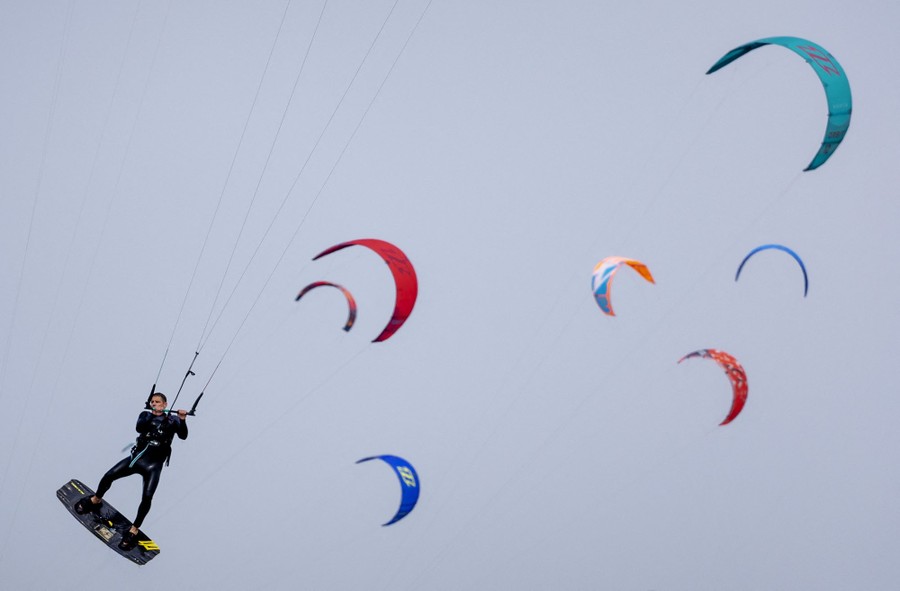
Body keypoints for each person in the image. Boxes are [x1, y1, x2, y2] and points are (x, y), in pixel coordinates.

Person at [74, 392, 188, 550]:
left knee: (147, 498)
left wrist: (182, 419)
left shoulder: (174, 420)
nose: (154, 404)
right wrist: (152, 414)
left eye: (158, 402)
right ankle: (95, 500)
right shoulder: (145, 415)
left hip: (153, 466)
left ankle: (133, 530)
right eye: (152, 402)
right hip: (136, 460)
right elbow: (139, 427)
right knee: (109, 476)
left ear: (165, 404)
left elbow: (183, 436)